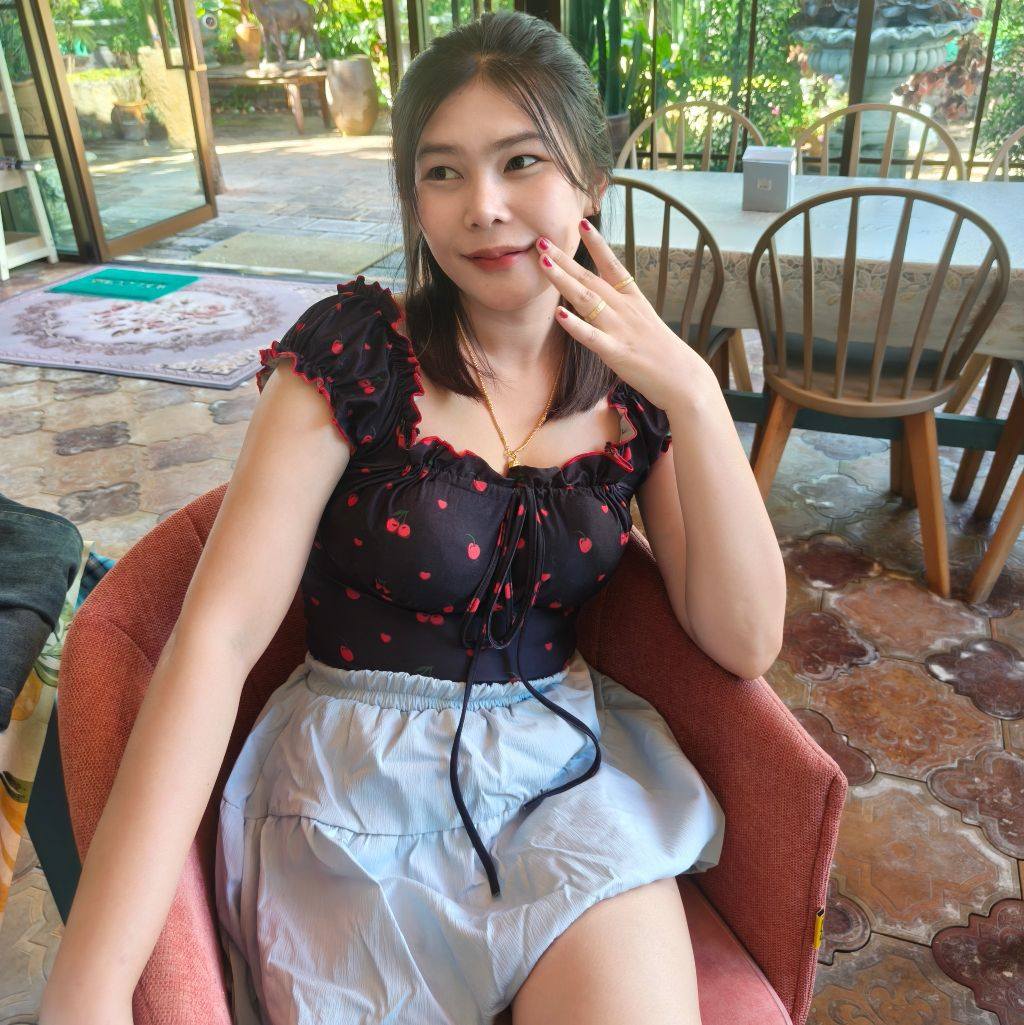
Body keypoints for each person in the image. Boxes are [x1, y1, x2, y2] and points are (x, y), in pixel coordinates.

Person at [40, 11, 786, 1025]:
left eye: (521, 161)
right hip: (353, 786)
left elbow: (745, 638)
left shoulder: (638, 393)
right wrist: (86, 991)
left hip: (563, 785)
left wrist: (695, 393)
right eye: (442, 172)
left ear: (590, 180)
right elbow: (214, 642)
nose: (483, 207)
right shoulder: (354, 354)